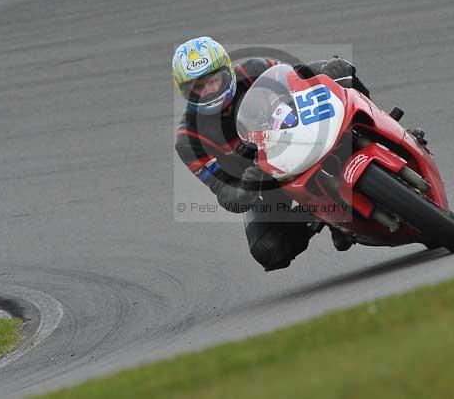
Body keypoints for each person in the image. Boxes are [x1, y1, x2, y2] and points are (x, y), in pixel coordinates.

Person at [172, 37, 414, 271]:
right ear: (185, 93)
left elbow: (299, 74)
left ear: (228, 71)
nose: (209, 92)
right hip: (266, 179)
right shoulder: (188, 140)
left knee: (341, 72)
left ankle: (389, 132)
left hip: (303, 132)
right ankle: (327, 218)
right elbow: (225, 194)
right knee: (269, 249)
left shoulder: (253, 69)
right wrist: (247, 185)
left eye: (214, 80)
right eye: (197, 88)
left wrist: (330, 69)